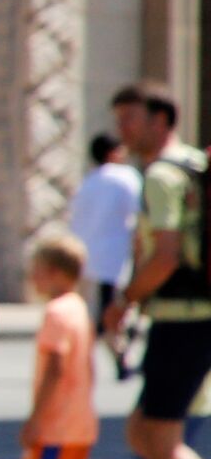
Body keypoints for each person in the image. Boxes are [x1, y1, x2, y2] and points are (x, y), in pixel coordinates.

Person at [104, 79, 211, 459]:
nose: (123, 130)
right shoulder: (195, 164)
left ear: (161, 121)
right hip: (193, 316)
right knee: (144, 433)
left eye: (132, 119)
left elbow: (164, 255)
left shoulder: (163, 177)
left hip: (181, 318)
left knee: (159, 443)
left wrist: (125, 298)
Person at [16, 230, 119, 459]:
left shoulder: (57, 312)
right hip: (76, 421)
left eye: (36, 271)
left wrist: (35, 420)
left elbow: (56, 367)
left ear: (56, 272)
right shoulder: (78, 307)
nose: (33, 279)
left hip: (56, 424)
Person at [66, 131, 139, 345]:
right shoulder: (125, 177)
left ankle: (111, 347)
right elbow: (137, 212)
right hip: (115, 255)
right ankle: (115, 347)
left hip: (88, 254)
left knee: (96, 309)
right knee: (113, 309)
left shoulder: (88, 182)